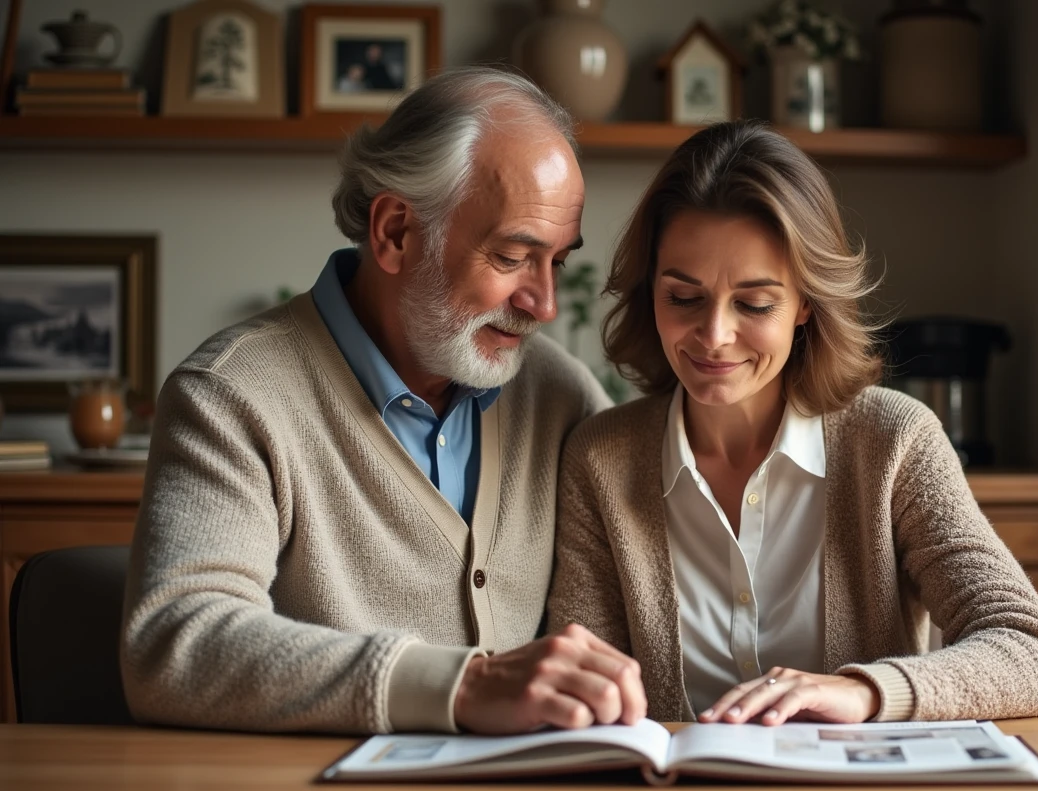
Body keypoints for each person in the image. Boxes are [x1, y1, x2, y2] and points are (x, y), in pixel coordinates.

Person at [121, 67, 647, 736]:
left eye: (558, 262)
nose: (542, 303)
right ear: (396, 231)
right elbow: (174, 645)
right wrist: (463, 686)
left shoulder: (560, 394)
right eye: (514, 256)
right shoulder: (232, 396)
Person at [546, 120, 1038, 725]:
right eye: (683, 297)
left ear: (805, 304)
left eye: (756, 303)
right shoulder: (600, 459)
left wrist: (864, 693)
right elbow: (582, 682)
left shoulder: (894, 442)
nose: (715, 336)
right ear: (649, 295)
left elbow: (1036, 653)